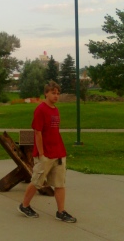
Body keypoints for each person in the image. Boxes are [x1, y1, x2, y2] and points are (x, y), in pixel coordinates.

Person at [17, 80, 77, 223]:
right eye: (53, 93)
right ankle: (24, 206)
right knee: (37, 182)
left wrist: (59, 151)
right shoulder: (40, 109)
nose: (56, 96)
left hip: (58, 152)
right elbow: (37, 133)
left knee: (60, 183)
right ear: (46, 93)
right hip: (45, 154)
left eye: (58, 93)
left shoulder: (55, 109)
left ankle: (61, 212)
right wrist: (42, 154)